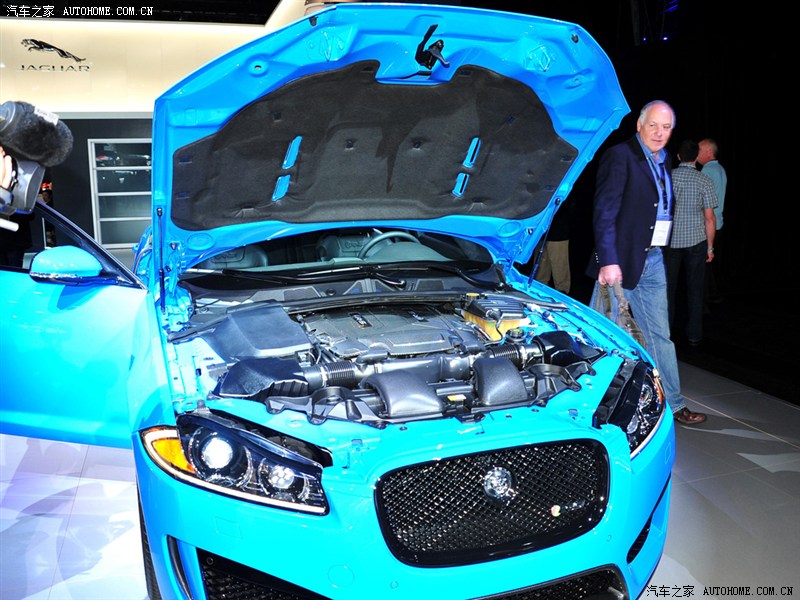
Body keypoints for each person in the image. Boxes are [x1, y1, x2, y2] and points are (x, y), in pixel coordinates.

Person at [586, 100, 707, 425]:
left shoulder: (664, 160)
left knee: (659, 336)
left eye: (666, 127)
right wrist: (608, 260)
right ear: (639, 125)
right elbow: (604, 212)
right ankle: (592, 405)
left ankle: (674, 404)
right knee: (605, 336)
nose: (659, 132)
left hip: (653, 258)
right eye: (653, 125)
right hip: (619, 261)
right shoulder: (620, 156)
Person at [664, 139, 717, 346]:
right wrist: (710, 247)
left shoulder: (667, 177)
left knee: (668, 289)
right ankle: (694, 335)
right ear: (696, 158)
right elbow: (709, 218)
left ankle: (666, 333)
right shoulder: (704, 181)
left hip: (670, 241)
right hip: (696, 241)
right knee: (695, 289)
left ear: (678, 156)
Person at [697, 138, 727, 303]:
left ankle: (705, 301)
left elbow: (703, 202)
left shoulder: (707, 171)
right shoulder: (720, 169)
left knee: (702, 265)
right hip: (718, 223)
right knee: (708, 265)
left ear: (709, 152)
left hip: (709, 224)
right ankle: (713, 296)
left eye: (699, 150)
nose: (697, 154)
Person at [534, 196, 573, 294]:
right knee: (540, 269)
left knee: (559, 267)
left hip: (558, 230)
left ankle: (562, 296)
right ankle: (538, 292)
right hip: (541, 230)